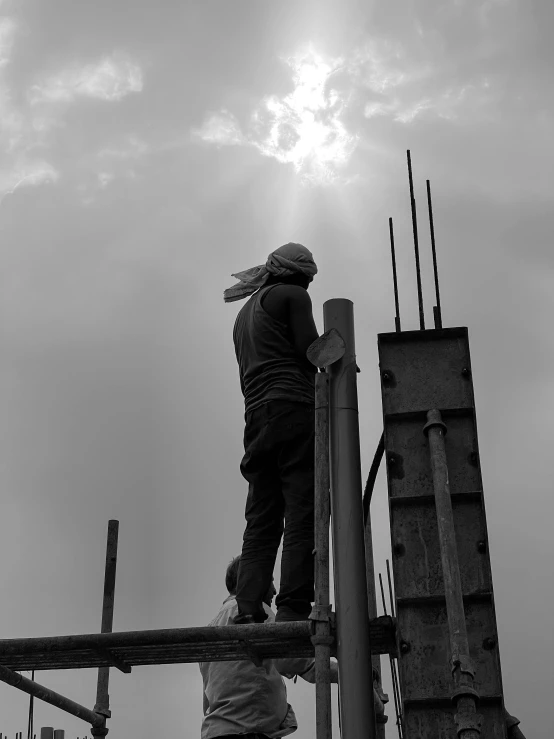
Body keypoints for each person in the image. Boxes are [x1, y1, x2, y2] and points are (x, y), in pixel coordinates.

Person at [224, 243, 320, 624]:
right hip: (293, 407)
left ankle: (248, 608)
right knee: (301, 508)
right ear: (299, 276)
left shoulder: (245, 313)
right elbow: (311, 351)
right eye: (309, 280)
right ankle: (294, 607)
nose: (309, 287)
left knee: (262, 516)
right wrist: (341, 355)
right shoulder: (292, 296)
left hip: (257, 418)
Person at [199, 556, 338, 739]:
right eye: (270, 582)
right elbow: (296, 662)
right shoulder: (255, 613)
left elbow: (208, 700)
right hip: (248, 731)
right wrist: (348, 672)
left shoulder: (212, 628)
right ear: (254, 581)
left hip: (218, 732)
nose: (274, 591)